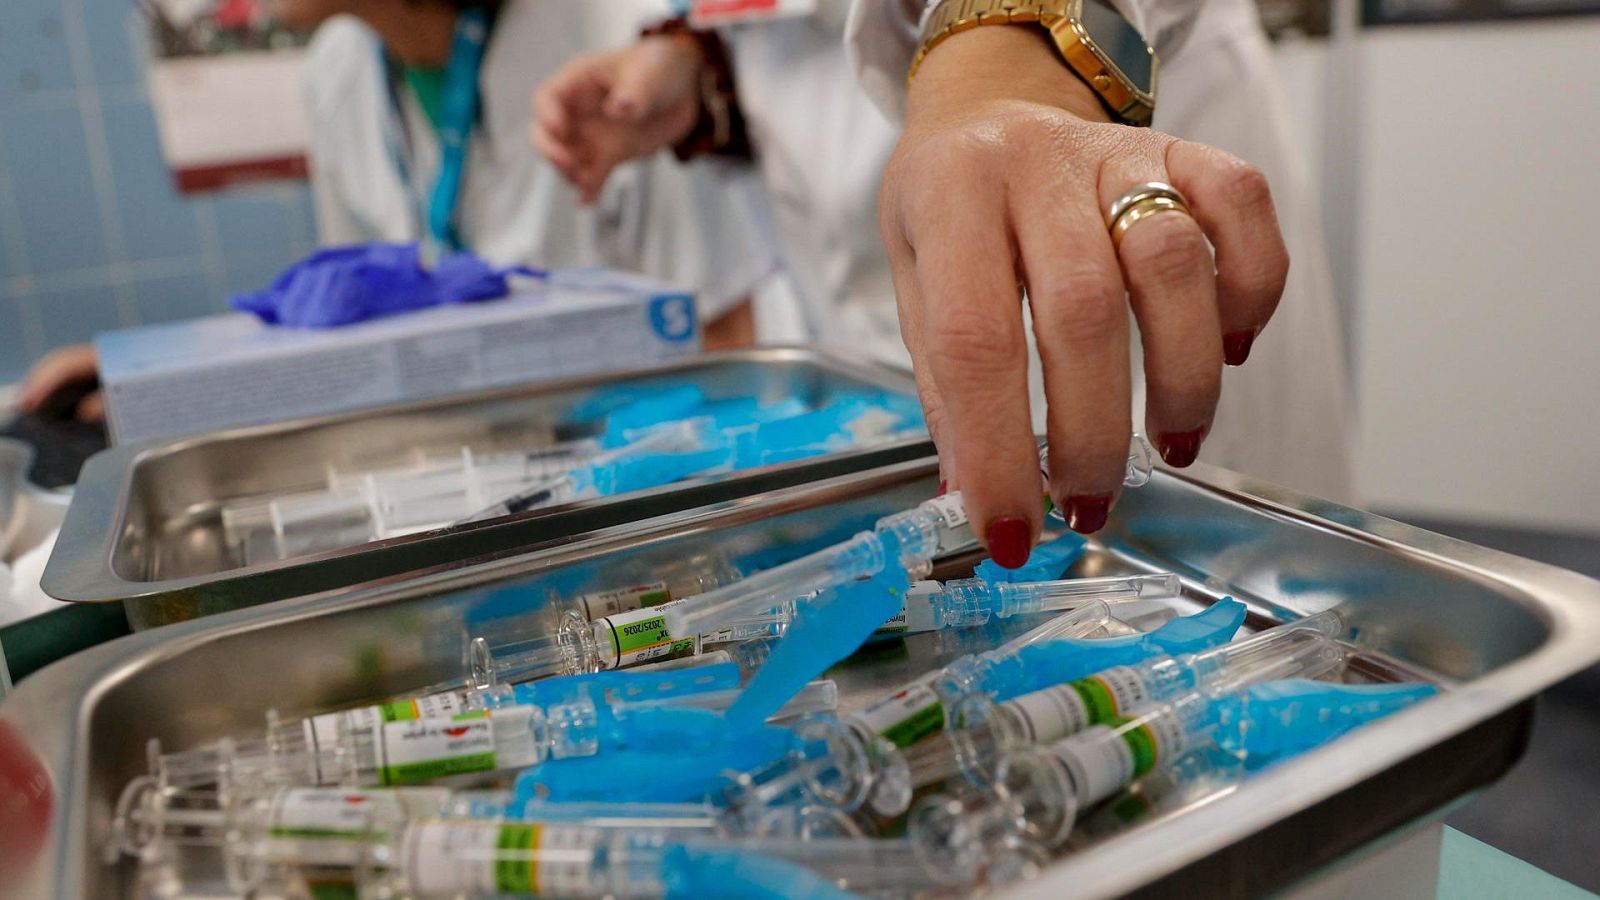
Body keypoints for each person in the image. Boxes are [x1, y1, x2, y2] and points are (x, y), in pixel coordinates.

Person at [533, 0, 1352, 569]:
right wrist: (703, 60)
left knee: (1238, 626)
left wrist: (1011, 39)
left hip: (1104, 126)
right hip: (879, 280)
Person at [17, 0, 777, 423]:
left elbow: (725, 335)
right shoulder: (337, 72)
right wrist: (162, 379)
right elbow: (361, 330)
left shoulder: (615, 37)